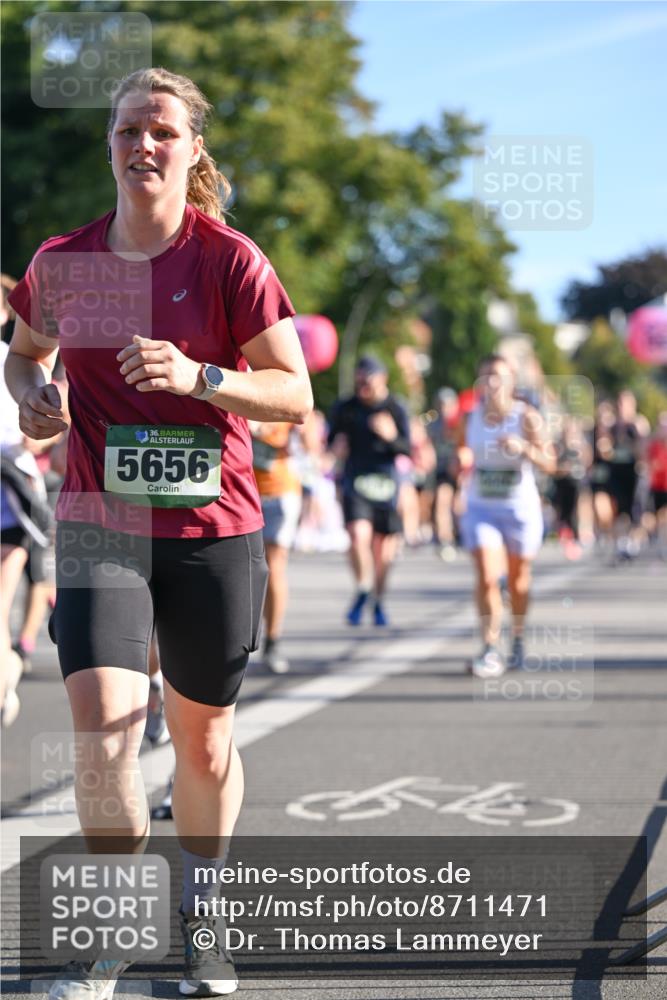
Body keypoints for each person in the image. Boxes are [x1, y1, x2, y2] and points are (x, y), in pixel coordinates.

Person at [6, 67, 312, 999]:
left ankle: (204, 913)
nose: (144, 143)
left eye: (163, 131)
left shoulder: (228, 260)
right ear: (109, 144)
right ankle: (111, 935)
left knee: (203, 744)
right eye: (128, 129)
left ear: (191, 150)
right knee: (103, 734)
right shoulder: (65, 262)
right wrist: (37, 397)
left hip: (212, 530)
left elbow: (294, 393)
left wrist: (200, 377)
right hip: (101, 524)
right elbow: (24, 357)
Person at [458, 354, 555, 678]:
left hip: (519, 509)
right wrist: (460, 461)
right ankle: (489, 647)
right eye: (486, 375)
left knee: (518, 580)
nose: (491, 382)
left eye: (498, 375)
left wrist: (524, 449)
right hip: (481, 506)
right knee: (487, 575)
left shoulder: (526, 417)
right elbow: (460, 450)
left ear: (512, 381)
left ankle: (518, 637)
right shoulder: (470, 417)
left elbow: (551, 463)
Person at [328, 356, 411, 627]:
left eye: (368, 380)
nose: (362, 386)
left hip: (386, 484)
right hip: (356, 481)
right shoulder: (346, 407)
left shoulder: (396, 408)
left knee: (383, 554)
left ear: (383, 378)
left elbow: (408, 448)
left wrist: (391, 436)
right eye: (359, 380)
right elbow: (331, 441)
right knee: (357, 536)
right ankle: (364, 587)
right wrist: (335, 447)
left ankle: (378, 600)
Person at [250, 420, 302, 673]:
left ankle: (272, 641)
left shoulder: (283, 402)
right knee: (243, 569)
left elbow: (309, 444)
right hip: (243, 493)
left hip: (279, 494)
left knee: (273, 568)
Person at [426, 387, 461, 561]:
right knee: (442, 501)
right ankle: (445, 540)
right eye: (441, 405)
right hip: (442, 471)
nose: (444, 409)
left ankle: (461, 535)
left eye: (448, 405)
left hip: (462, 471)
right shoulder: (433, 425)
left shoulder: (462, 423)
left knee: (459, 506)